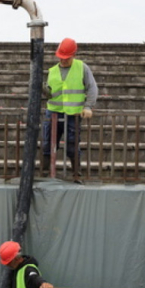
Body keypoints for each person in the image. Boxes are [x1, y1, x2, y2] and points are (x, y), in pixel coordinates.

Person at [42, 37, 98, 181]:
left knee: (72, 145)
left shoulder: (81, 68)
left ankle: (76, 174)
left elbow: (92, 87)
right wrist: (43, 89)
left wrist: (88, 106)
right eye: (61, 57)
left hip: (73, 114)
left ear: (74, 55)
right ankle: (44, 173)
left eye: (66, 58)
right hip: (53, 112)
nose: (63, 60)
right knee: (48, 144)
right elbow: (50, 93)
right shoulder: (53, 71)